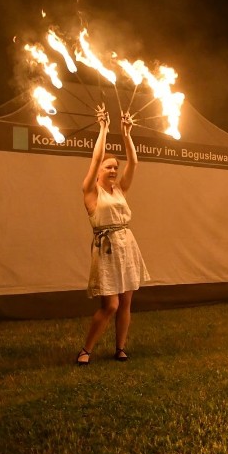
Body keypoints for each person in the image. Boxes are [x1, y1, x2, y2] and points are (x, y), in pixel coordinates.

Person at [76, 107, 150, 365]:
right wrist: (104, 129)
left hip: (126, 245)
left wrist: (127, 133)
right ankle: (86, 350)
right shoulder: (91, 191)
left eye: (115, 167)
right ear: (98, 172)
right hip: (106, 248)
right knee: (111, 306)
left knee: (127, 301)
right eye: (109, 166)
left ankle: (120, 348)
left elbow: (135, 162)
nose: (113, 169)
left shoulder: (119, 190)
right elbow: (95, 159)